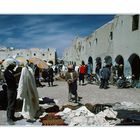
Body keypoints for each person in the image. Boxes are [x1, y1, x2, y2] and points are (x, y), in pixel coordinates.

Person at [4, 59, 18, 125]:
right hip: (10, 90)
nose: (14, 67)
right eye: (13, 66)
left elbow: (14, 74)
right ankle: (9, 118)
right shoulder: (6, 72)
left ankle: (12, 116)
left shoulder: (11, 71)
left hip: (14, 89)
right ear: (9, 65)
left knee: (14, 103)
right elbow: (11, 78)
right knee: (10, 104)